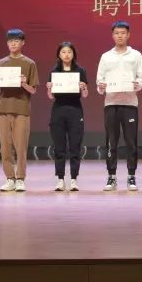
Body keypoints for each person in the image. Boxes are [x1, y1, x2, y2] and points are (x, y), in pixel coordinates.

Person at [95, 20, 142, 192]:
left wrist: (137, 85)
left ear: (128, 35)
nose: (120, 36)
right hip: (111, 103)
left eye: (123, 33)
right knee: (111, 142)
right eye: (117, 33)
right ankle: (112, 176)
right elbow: (100, 80)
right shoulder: (106, 56)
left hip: (130, 103)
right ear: (112, 35)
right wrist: (101, 86)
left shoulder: (136, 55)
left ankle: (131, 176)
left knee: (131, 142)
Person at [0, 28, 39, 193]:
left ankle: (20, 178)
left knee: (21, 145)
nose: (13, 44)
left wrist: (24, 83)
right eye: (10, 41)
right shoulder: (0, 63)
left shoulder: (29, 63)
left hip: (21, 108)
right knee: (5, 145)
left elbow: (33, 90)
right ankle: (9, 178)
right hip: (3, 108)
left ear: (23, 43)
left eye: (16, 41)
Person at [46, 41, 89, 192]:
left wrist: (84, 88)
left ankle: (74, 179)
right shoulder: (54, 71)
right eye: (63, 52)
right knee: (59, 146)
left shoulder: (80, 70)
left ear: (73, 54)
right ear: (59, 54)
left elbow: (85, 95)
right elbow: (51, 96)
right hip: (58, 110)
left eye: (69, 52)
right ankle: (60, 179)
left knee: (75, 146)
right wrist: (49, 89)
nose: (66, 55)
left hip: (75, 110)